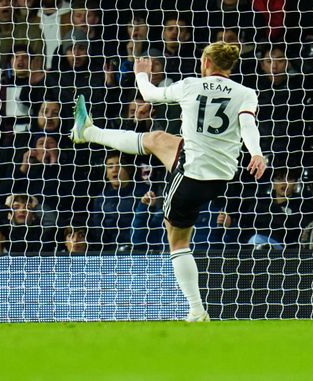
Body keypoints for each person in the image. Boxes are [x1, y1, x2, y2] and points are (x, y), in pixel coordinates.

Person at [71, 41, 266, 322]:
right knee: (157, 138)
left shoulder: (190, 85)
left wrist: (140, 73)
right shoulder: (246, 93)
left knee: (177, 240)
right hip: (223, 171)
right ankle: (87, 131)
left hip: (192, 174)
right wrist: (257, 154)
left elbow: (148, 94)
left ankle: (197, 310)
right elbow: (248, 125)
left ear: (206, 63)